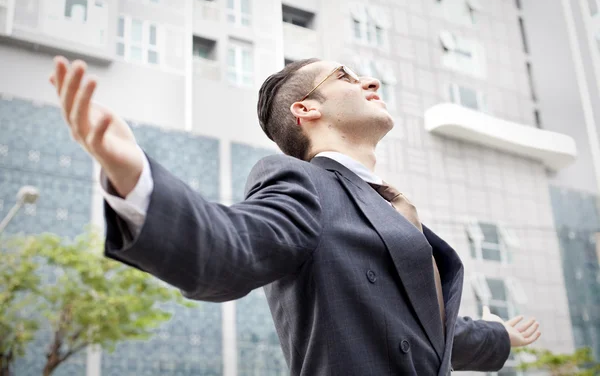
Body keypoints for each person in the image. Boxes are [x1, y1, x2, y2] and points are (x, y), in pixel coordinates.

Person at [50, 56, 541, 375]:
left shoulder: (391, 207)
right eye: (347, 77)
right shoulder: (302, 182)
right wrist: (136, 178)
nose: (371, 81)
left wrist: (501, 335)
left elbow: (425, 330)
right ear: (306, 110)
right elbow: (229, 248)